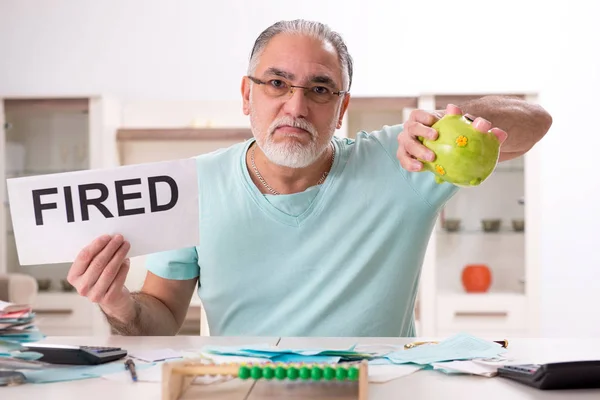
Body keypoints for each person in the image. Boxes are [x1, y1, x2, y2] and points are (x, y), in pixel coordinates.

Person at [66, 19, 552, 337]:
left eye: (319, 89)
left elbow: (535, 122)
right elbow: (163, 317)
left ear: (341, 108)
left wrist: (454, 123)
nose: (295, 107)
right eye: (276, 83)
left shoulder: (403, 159)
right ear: (246, 94)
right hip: (246, 390)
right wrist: (120, 305)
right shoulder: (191, 187)